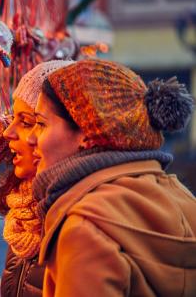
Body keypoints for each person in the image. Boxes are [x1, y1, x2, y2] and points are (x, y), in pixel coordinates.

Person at [27, 58, 196, 296]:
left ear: (86, 133)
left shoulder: (85, 229)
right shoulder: (183, 198)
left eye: (41, 124)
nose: (30, 138)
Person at [0, 60, 74, 297]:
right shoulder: (23, 214)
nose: (9, 132)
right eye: (13, 119)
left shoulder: (74, 219)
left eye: (28, 122)